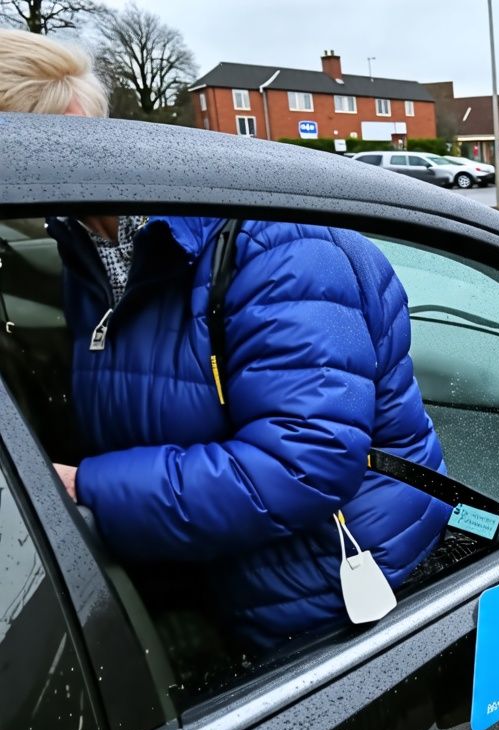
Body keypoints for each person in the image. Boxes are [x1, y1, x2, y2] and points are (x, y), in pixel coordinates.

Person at [0, 30, 451, 651]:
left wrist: (84, 489)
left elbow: (304, 463)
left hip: (328, 599)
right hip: (206, 581)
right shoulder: (87, 254)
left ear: (53, 143)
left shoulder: (280, 249)